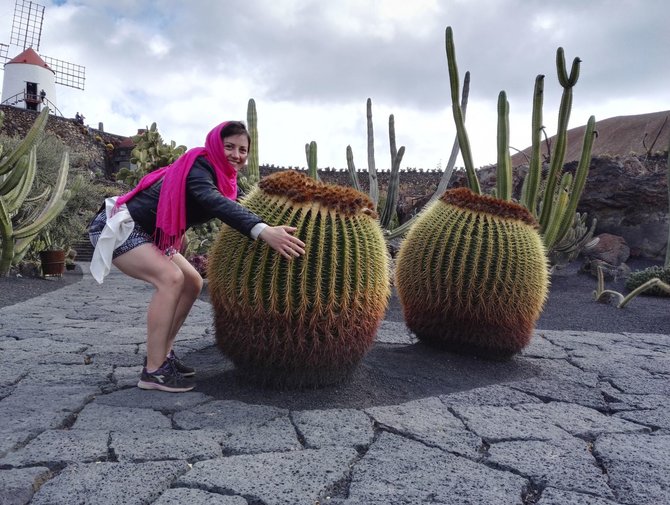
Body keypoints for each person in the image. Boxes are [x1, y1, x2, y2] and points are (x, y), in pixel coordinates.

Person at [88, 121, 306, 393]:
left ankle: (162, 356)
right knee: (171, 279)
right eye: (229, 147)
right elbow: (212, 200)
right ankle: (153, 372)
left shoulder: (226, 179)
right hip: (121, 226)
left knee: (192, 280)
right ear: (216, 144)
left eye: (242, 150)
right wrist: (262, 230)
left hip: (150, 233)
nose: (236, 155)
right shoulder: (199, 167)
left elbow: (235, 206)